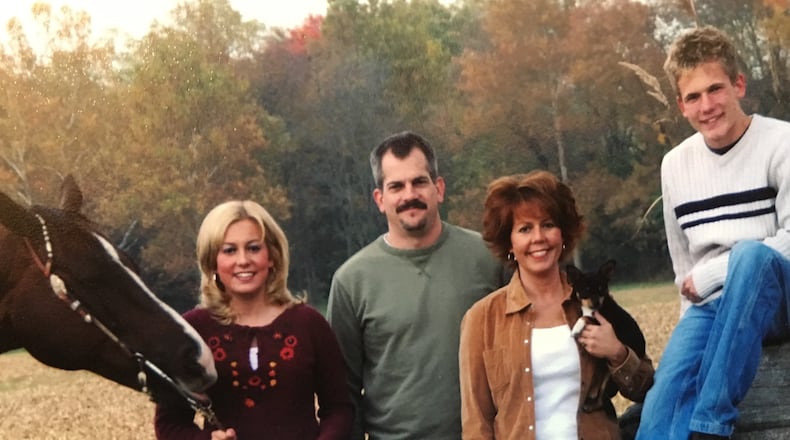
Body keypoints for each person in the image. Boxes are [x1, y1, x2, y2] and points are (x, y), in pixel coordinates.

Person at [636, 26, 790, 440]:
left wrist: (713, 275)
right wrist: (689, 337)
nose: (707, 106)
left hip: (777, 296)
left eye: (715, 89)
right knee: (659, 411)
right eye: (693, 97)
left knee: (750, 257)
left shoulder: (781, 142)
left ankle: (711, 424)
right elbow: (682, 263)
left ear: (738, 84)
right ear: (681, 106)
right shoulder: (675, 165)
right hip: (710, 308)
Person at [326, 131, 508, 439]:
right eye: (396, 186)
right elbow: (343, 393)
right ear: (380, 199)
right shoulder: (352, 280)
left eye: (419, 182)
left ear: (439, 188)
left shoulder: (490, 258)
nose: (409, 194)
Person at [459, 170, 654, 439]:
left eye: (548, 224)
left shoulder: (592, 304)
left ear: (563, 235)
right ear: (509, 242)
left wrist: (617, 353)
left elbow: (646, 389)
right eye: (525, 228)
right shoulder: (482, 319)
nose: (538, 237)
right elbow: (476, 421)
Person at [154, 200, 353, 440]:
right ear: (212, 262)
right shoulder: (193, 331)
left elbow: (339, 409)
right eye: (229, 250)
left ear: (272, 256)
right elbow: (170, 424)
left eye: (253, 248)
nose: (243, 260)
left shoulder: (309, 324)